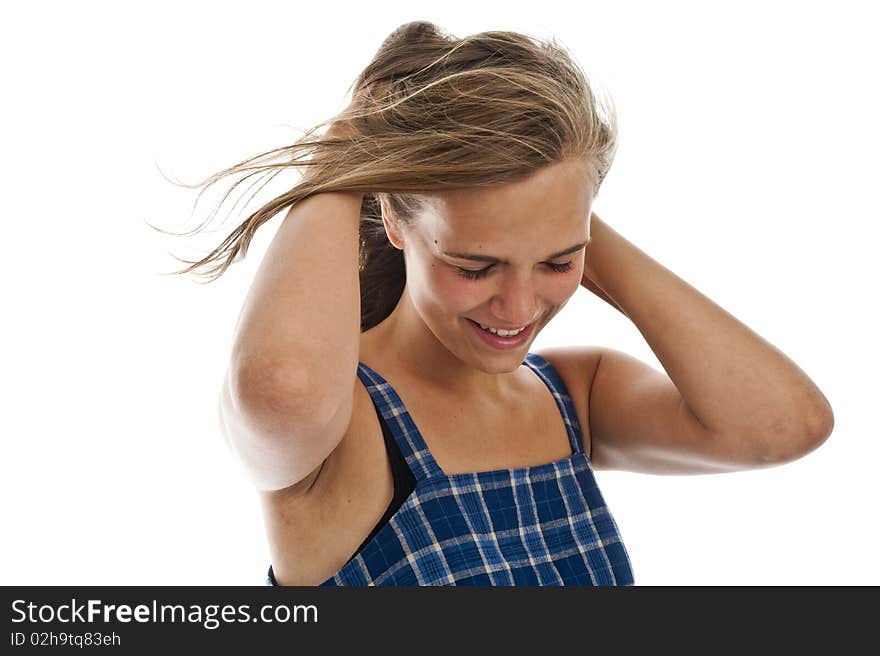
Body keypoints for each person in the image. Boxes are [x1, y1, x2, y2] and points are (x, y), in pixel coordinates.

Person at [169, 22, 834, 585]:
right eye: (475, 264)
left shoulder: (574, 395)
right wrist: (351, 152)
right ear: (396, 224)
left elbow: (785, 425)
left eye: (557, 261)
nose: (519, 303)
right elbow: (281, 389)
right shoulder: (344, 429)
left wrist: (560, 203)